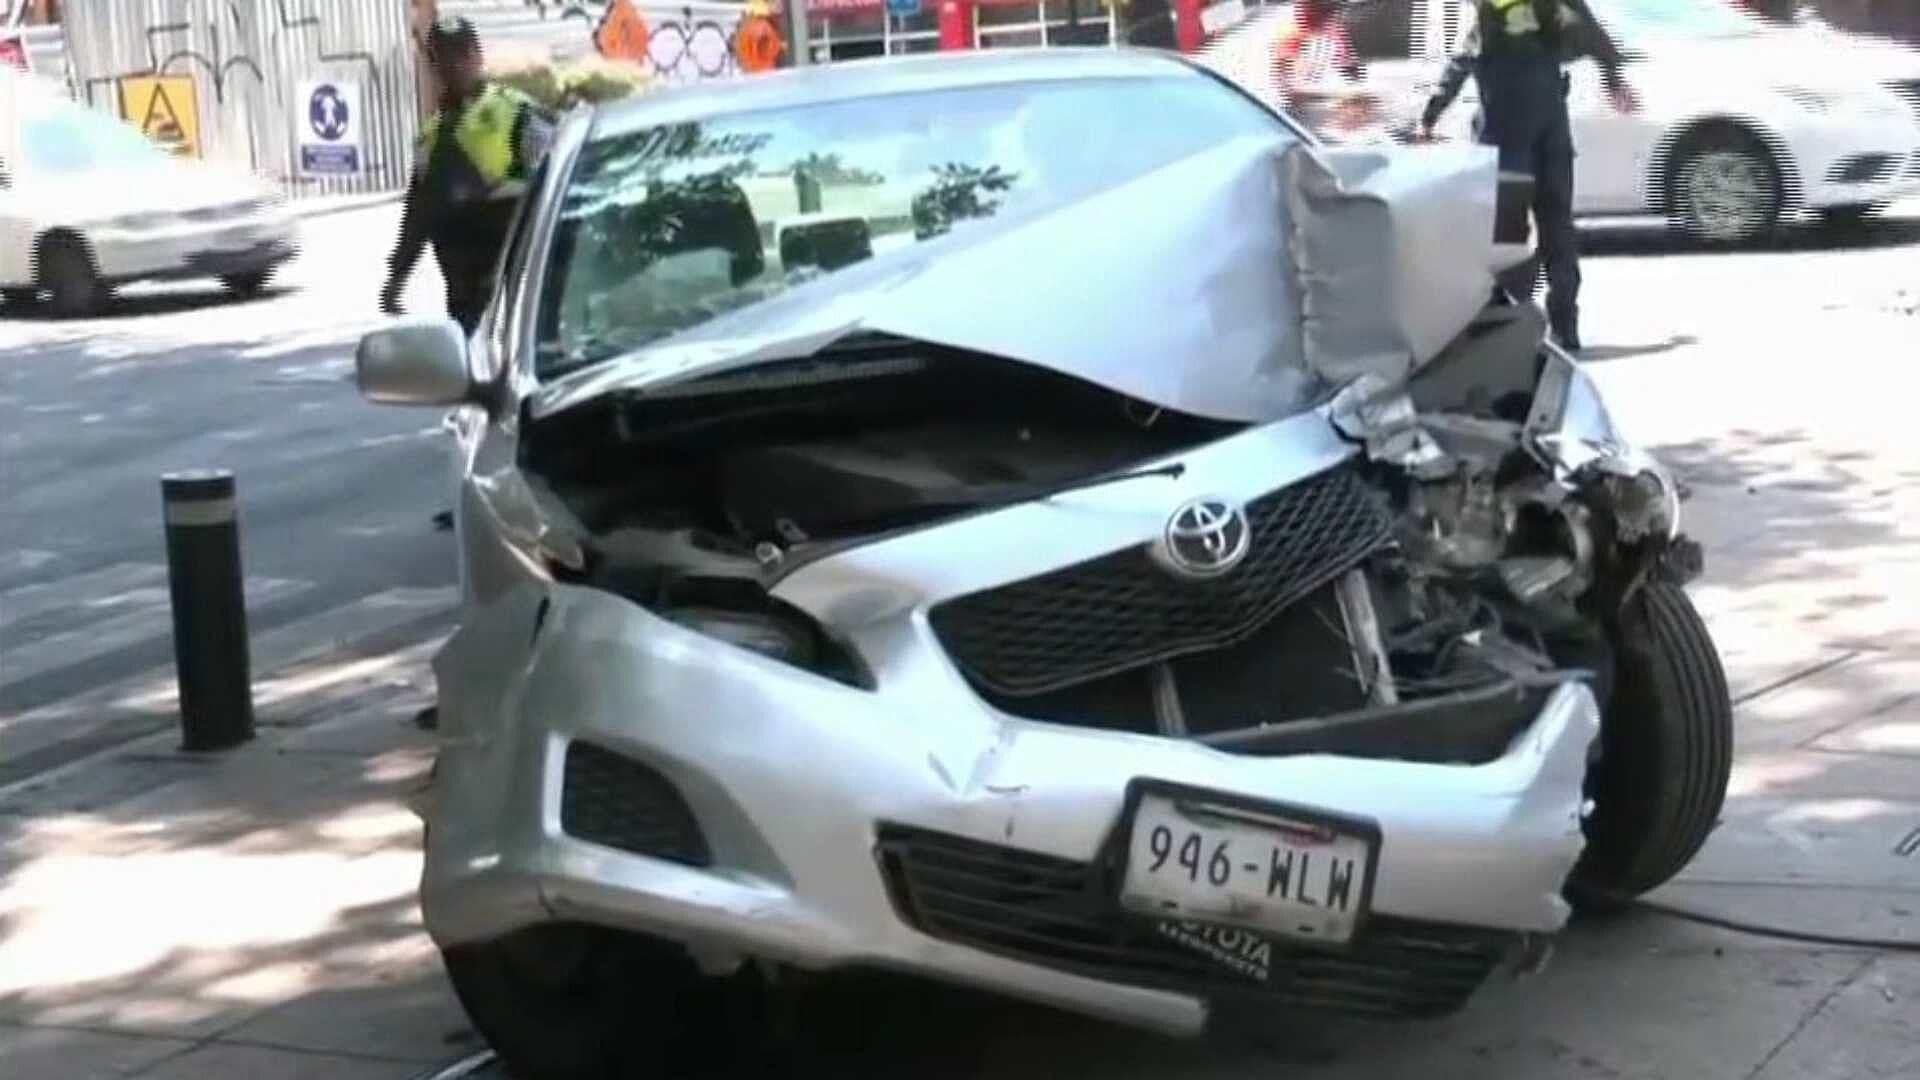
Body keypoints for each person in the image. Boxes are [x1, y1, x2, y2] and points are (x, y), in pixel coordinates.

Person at [1419, 0, 1638, 352]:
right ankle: (1565, 327)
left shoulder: (1485, 8)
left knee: (1509, 236)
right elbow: (1592, 32)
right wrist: (1614, 79)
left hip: (1507, 139)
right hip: (1550, 131)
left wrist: (1429, 115)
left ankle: (1509, 328)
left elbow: (1463, 58)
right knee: (1557, 226)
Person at [379, 15, 555, 334]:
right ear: (433, 65)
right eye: (443, 56)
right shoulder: (429, 137)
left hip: (515, 286)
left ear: (477, 54)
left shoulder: (517, 112)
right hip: (463, 297)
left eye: (462, 53)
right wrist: (398, 276)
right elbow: (418, 212)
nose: (454, 64)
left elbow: (554, 187)